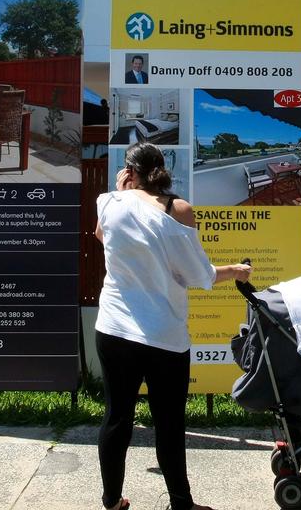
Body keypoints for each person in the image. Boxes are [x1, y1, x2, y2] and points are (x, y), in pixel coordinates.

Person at [94, 143, 252, 510]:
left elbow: (103, 237)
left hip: (113, 329)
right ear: (161, 170)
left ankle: (112, 501)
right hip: (163, 336)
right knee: (168, 424)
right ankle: (181, 504)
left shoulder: (109, 202)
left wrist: (122, 194)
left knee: (117, 417)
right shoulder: (177, 209)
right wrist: (238, 271)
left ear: (129, 173)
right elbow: (201, 275)